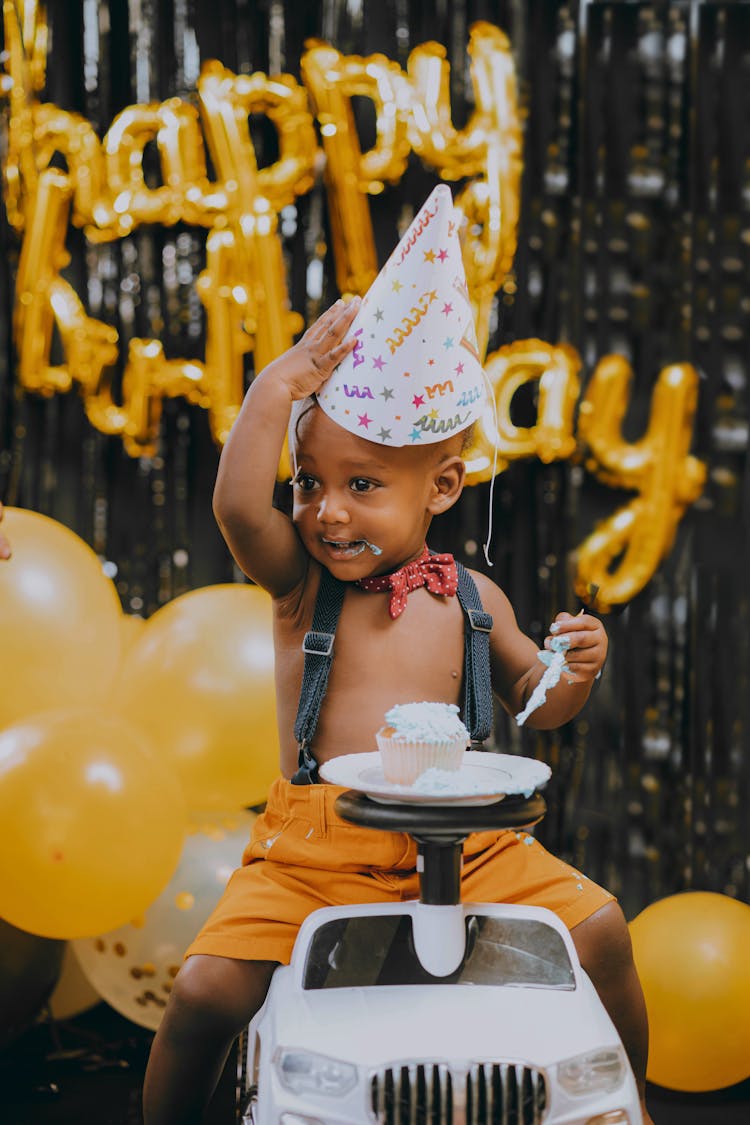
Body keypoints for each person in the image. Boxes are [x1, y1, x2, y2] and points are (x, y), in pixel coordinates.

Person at [141, 289, 653, 1124]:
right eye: (309, 483)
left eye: (362, 484)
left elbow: (538, 703)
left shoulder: (473, 597)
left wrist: (577, 670)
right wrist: (280, 388)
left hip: (473, 840)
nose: (327, 511)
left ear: (442, 486)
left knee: (602, 930)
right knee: (203, 991)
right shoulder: (300, 586)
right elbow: (238, 507)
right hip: (316, 845)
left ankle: (631, 1100)